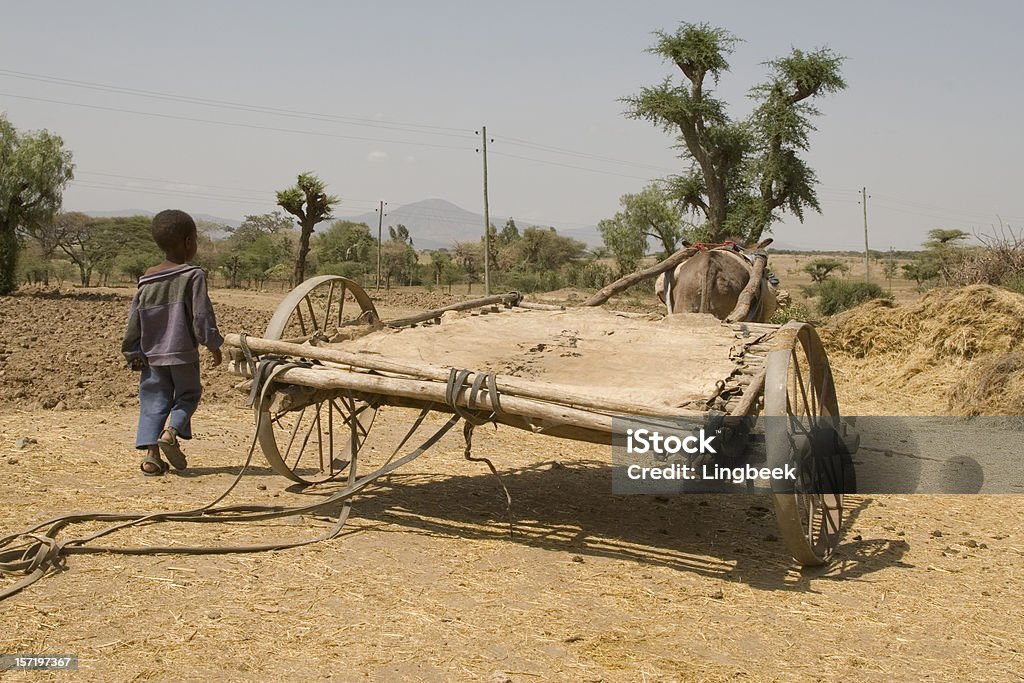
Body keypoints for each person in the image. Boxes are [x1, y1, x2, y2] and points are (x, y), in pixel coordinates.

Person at [121, 209, 223, 476]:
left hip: (152, 356)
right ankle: (171, 433)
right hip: (182, 354)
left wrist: (132, 351)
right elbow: (201, 315)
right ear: (189, 242)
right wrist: (212, 343)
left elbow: (135, 319)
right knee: (188, 396)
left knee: (153, 401)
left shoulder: (146, 279)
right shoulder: (193, 276)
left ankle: (151, 458)